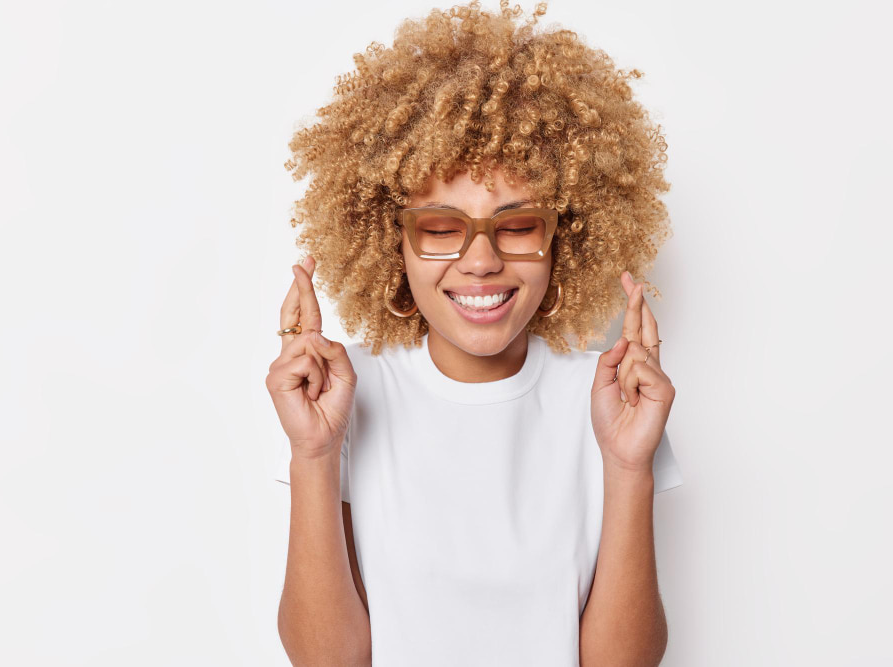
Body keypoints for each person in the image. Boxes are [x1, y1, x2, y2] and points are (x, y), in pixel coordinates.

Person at [266, 1, 683, 664]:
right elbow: (329, 659)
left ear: (563, 237)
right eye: (440, 228)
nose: (482, 259)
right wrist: (313, 453)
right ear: (390, 241)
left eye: (516, 225)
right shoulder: (345, 398)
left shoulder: (606, 406)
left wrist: (630, 465)